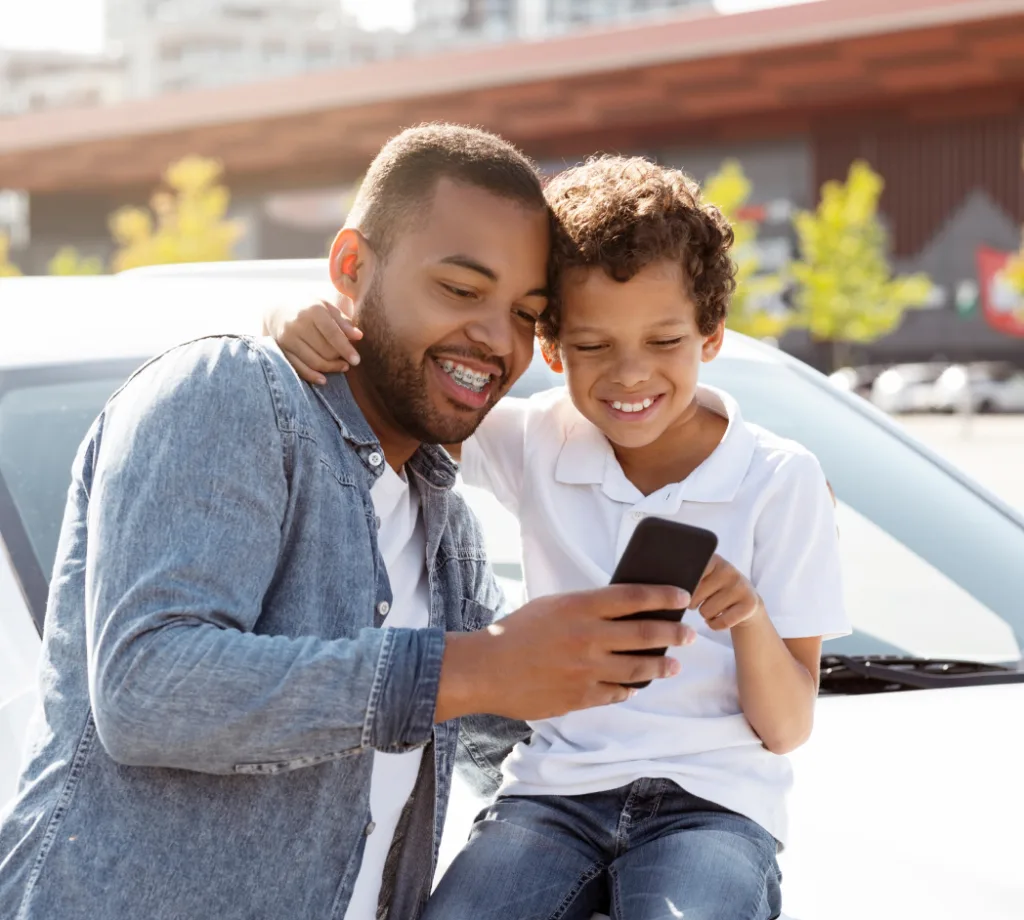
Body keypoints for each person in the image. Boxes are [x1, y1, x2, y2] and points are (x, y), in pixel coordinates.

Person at [0, 128, 698, 920]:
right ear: (349, 268)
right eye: (461, 290)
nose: (496, 341)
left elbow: (508, 736)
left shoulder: (445, 527)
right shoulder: (231, 393)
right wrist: (472, 668)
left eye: (525, 314)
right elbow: (147, 688)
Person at [268, 155, 850, 920]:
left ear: (710, 337)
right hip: (554, 799)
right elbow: (398, 392)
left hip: (714, 806)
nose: (630, 375)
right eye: (594, 346)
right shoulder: (540, 440)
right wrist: (292, 319)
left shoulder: (780, 479)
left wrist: (744, 616)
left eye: (664, 340)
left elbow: (787, 728)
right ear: (552, 350)